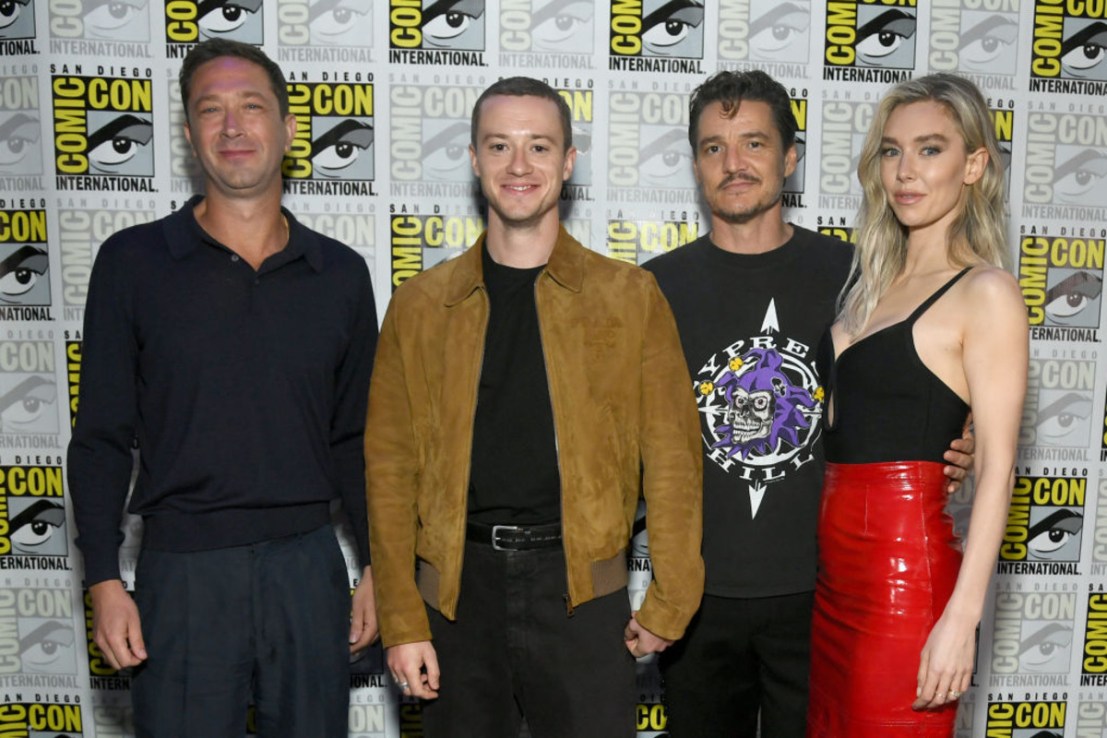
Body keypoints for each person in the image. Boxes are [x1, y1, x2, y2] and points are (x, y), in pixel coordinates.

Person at [364, 76, 704, 738]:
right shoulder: (420, 305)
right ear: (473, 160)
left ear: (568, 162)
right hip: (457, 598)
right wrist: (402, 618)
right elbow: (387, 469)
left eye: (539, 147)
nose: (519, 166)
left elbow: (672, 458)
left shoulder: (628, 296)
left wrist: (672, 598)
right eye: (499, 146)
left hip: (583, 597)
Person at [643, 70, 975, 738]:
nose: (733, 163)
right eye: (713, 147)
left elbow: (920, 384)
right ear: (695, 164)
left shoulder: (864, 276)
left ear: (789, 158)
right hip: (695, 600)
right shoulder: (651, 288)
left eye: (753, 143)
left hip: (829, 596)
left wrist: (950, 444)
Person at [68, 39, 378, 737]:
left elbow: (356, 441)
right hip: (182, 576)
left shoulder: (341, 275)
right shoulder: (132, 263)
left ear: (290, 129)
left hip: (307, 569)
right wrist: (102, 580)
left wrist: (379, 567)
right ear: (187, 134)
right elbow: (101, 439)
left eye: (251, 107)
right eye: (211, 110)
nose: (232, 128)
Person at [805, 73, 1027, 737]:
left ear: (973, 165)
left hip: (905, 588)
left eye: (930, 149)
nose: (906, 171)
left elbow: (996, 469)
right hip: (833, 586)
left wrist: (960, 619)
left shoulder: (985, 292)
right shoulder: (869, 285)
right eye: (892, 150)